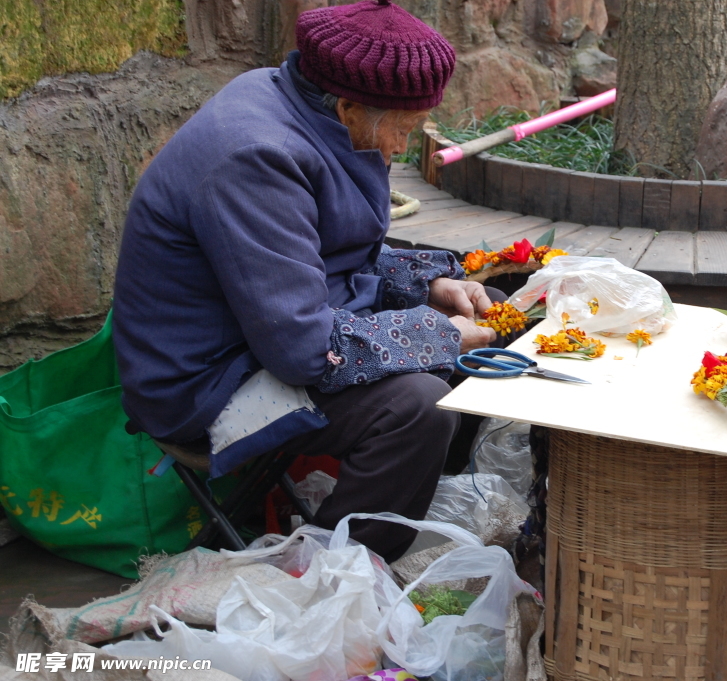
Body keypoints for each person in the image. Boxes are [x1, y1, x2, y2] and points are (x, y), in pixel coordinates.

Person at [112, 0, 497, 562]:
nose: (399, 149)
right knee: (418, 403)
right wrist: (438, 336)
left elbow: (327, 256)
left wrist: (429, 288)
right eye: (403, 129)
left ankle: (413, 513)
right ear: (346, 106)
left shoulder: (307, 107)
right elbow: (303, 350)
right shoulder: (256, 156)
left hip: (269, 334)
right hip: (206, 381)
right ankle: (332, 578)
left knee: (495, 317)